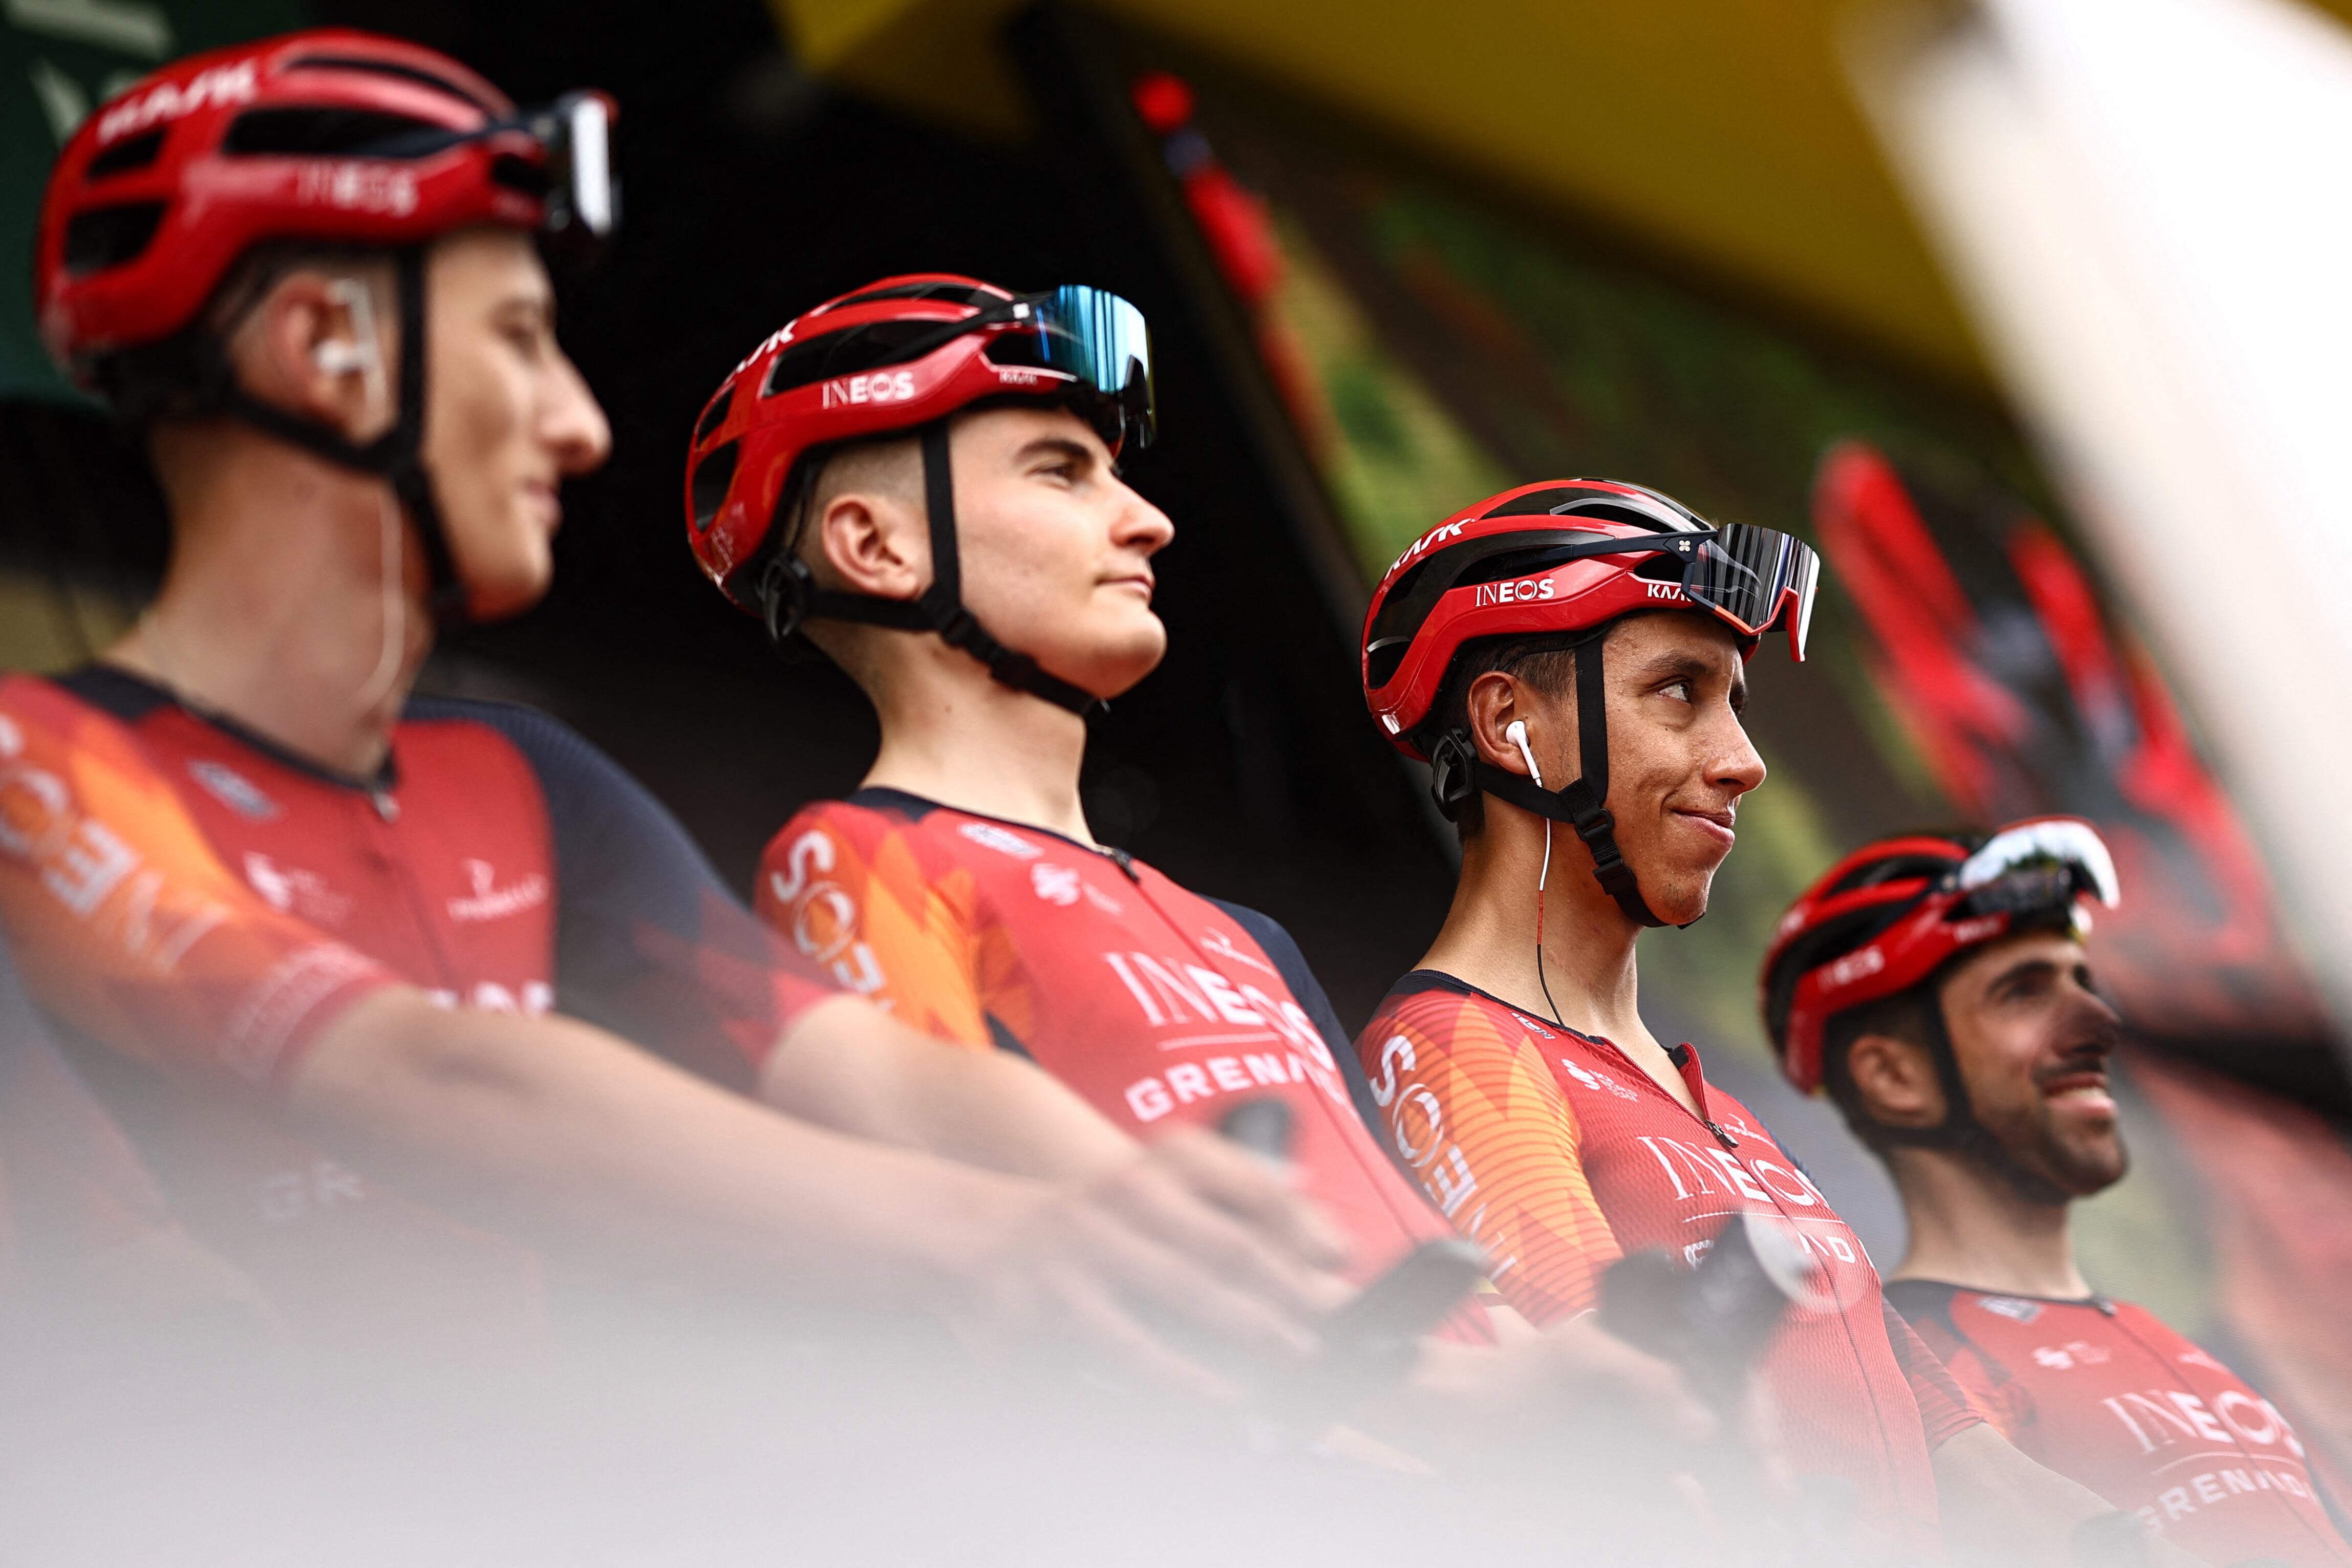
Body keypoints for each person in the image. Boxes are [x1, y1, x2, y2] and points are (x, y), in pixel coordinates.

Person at [6, 30, 1344, 1380]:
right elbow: (434, 1075)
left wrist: (1255, 1277)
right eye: (522, 339)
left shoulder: (524, 778)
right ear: (323, 343)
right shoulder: (34, 766)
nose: (583, 424)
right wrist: (1011, 1235)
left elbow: (857, 1069)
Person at [679, 274, 1719, 1467]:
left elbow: (1434, 1280)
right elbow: (1005, 1301)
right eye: (1058, 471)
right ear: (875, 544)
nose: (1145, 519)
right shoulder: (859, 858)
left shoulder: (1239, 933)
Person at [1346, 480, 2176, 1562]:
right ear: (1511, 725)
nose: (1744, 758)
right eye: (1679, 691)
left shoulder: (1718, 1106)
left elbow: (1969, 1462)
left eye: (1733, 700)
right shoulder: (1454, 1048)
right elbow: (1614, 1449)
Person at [1762, 818, 2352, 1565]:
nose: (2097, 1021)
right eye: (2022, 993)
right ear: (1894, 1077)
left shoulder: (2185, 1344)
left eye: (2081, 981)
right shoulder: (1923, 1371)